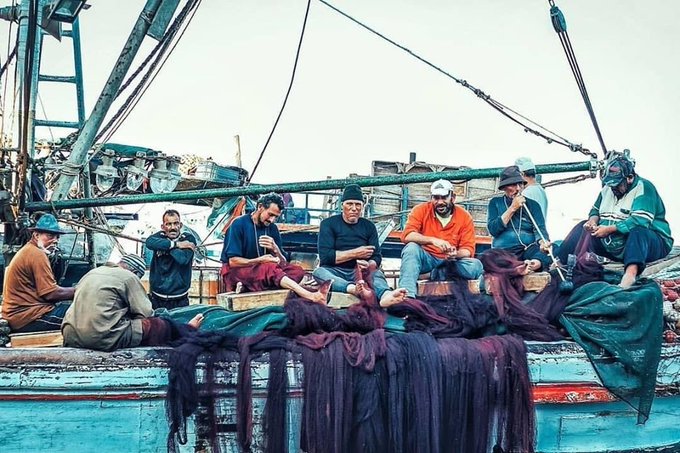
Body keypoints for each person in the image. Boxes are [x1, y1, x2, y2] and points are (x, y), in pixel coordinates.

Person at [557, 155, 673, 288]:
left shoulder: (644, 188)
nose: (613, 188)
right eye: (611, 185)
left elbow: (640, 220)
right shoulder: (608, 188)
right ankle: (559, 264)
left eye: (617, 185)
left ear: (629, 178)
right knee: (580, 228)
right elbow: (595, 211)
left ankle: (630, 274)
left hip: (650, 245)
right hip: (616, 246)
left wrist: (608, 230)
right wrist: (592, 222)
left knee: (638, 232)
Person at [62, 254, 203, 351]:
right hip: (99, 337)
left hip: (69, 334)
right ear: (135, 272)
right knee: (157, 325)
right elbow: (147, 314)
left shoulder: (92, 273)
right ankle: (188, 331)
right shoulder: (129, 277)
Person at [220, 192, 328, 304]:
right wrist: (260, 260)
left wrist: (276, 249)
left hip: (259, 272)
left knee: (297, 271)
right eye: (270, 214)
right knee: (269, 268)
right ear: (260, 207)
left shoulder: (272, 229)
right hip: (236, 271)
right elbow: (233, 262)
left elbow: (283, 262)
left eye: (276, 217)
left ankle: (247, 286)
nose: (272, 220)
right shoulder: (238, 224)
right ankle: (311, 296)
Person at [313, 184, 407, 307]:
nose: (354, 208)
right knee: (319, 272)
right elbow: (326, 257)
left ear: (362, 206)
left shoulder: (369, 226)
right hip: (335, 271)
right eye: (349, 204)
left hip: (362, 273)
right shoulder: (328, 224)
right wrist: (356, 253)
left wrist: (369, 264)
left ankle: (386, 295)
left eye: (358, 204)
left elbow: (377, 257)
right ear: (342, 205)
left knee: (377, 274)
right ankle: (352, 289)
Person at [398, 179, 484, 298]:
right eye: (436, 198)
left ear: (453, 197)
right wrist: (433, 240)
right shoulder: (420, 210)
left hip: (451, 263)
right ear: (431, 198)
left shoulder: (465, 217)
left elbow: (468, 250)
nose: (439, 202)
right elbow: (407, 235)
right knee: (411, 248)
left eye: (444, 197)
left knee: (476, 266)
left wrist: (455, 254)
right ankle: (406, 296)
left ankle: (431, 275)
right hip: (427, 260)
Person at [1, 214, 75, 332]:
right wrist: (80, 290)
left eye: (57, 237)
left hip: (21, 316)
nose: (55, 240)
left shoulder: (29, 250)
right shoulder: (37, 254)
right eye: (50, 236)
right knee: (81, 312)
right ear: (36, 235)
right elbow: (50, 293)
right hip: (28, 318)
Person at [487, 166, 552, 273]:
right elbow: (493, 230)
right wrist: (512, 208)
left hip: (528, 249)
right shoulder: (495, 203)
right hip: (504, 251)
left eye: (520, 184)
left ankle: (533, 264)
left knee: (552, 249)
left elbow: (540, 229)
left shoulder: (533, 205)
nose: (518, 188)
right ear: (504, 187)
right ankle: (520, 267)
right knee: (489, 257)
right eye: (513, 185)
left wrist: (543, 242)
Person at [145, 209, 196, 310]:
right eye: (168, 224)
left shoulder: (188, 239)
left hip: (180, 299)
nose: (173, 228)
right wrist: (175, 244)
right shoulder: (160, 237)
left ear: (180, 225)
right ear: (163, 227)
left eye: (176, 223)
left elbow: (182, 259)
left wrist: (165, 246)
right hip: (157, 298)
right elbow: (149, 242)